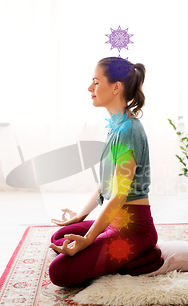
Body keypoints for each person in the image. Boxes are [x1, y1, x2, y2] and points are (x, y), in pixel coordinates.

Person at [48, 56, 163, 287]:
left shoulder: (127, 132)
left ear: (116, 87)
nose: (90, 88)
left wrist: (89, 239)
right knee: (60, 237)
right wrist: (81, 216)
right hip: (115, 221)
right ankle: (113, 245)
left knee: (58, 272)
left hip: (133, 230)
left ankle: (143, 254)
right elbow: (105, 185)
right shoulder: (117, 126)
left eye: (96, 82)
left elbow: (119, 195)